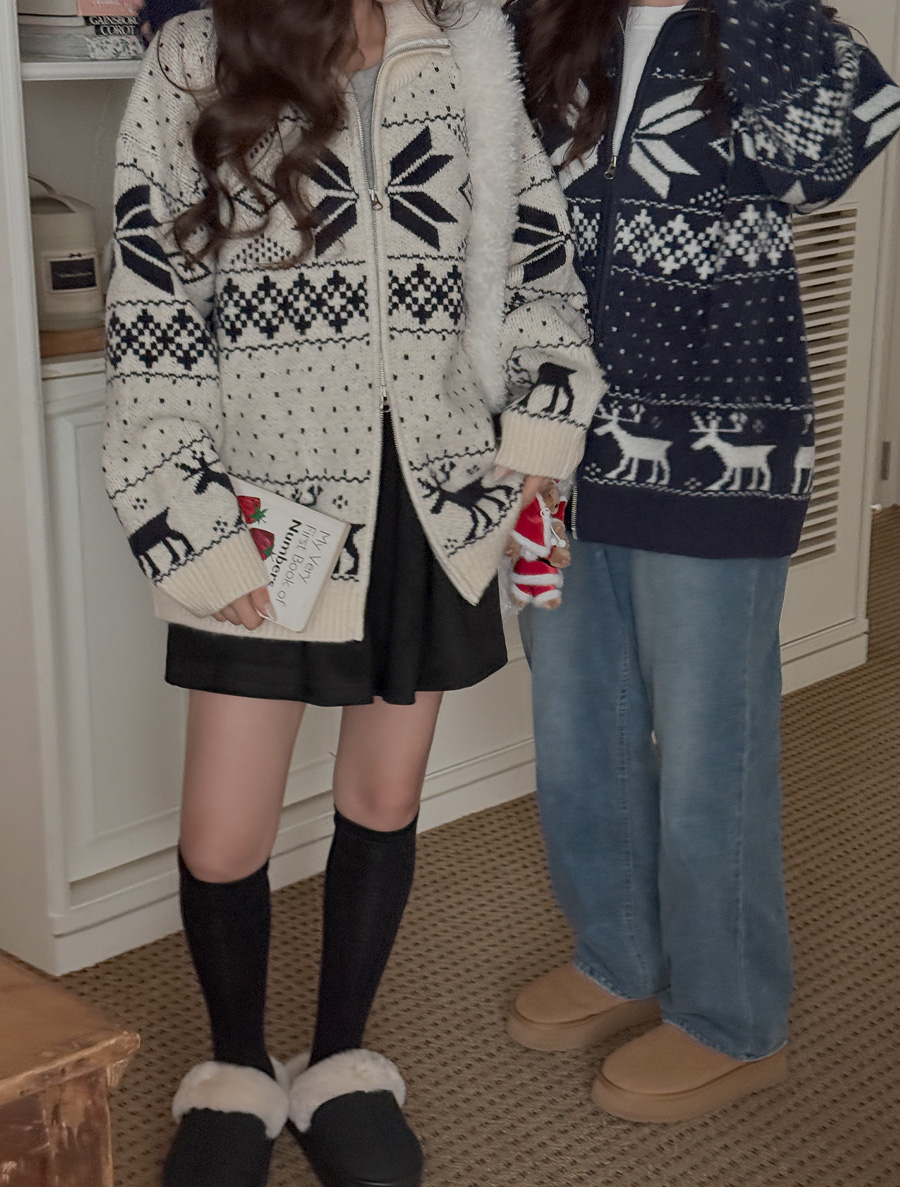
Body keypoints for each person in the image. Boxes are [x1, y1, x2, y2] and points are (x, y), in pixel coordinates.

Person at [103, 1, 604, 1185]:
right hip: (264, 509)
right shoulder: (196, 58)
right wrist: (188, 521)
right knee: (224, 834)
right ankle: (235, 1067)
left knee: (382, 797)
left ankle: (338, 1059)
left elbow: (536, 261)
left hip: (434, 496)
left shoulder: (468, 50)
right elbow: (150, 307)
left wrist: (543, 420)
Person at [505, 0, 900, 1123]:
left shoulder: (774, 24)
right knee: (575, 727)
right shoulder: (539, 21)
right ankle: (617, 952)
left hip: (724, 447)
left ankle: (733, 1016)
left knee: (710, 749)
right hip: (551, 445)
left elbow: (834, 152)